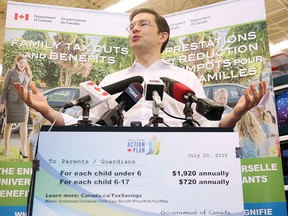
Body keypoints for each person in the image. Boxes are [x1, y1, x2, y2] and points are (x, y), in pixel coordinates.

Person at [14, 8, 266, 128]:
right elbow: (85, 124)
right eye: (132, 25)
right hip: (122, 168)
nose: (134, 28)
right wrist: (47, 111)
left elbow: (207, 126)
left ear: (162, 36)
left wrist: (236, 113)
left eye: (143, 24)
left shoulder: (184, 78)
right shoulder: (112, 79)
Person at [0, 54, 38, 158]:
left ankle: (23, 150)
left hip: (23, 102)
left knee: (23, 125)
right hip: (11, 102)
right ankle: (6, 148)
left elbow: (29, 89)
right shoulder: (10, 72)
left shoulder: (28, 74)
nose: (22, 64)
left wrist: (30, 102)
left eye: (24, 62)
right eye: (20, 62)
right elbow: (4, 88)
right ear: (17, 63)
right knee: (8, 124)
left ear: (26, 63)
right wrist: (2, 103)